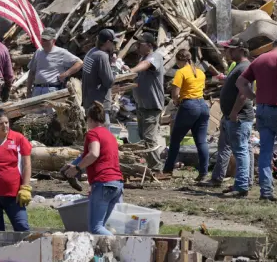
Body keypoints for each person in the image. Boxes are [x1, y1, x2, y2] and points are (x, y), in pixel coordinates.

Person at [237, 38, 277, 201]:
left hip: (262, 110)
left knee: (266, 151)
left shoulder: (258, 60)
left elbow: (240, 82)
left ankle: (266, 192)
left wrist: (254, 97)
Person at [63, 102, 123, 235]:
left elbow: (94, 154)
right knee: (102, 226)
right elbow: (91, 155)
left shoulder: (93, 134)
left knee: (96, 228)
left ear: (90, 119)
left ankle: (123, 246)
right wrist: (74, 164)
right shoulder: (110, 136)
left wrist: (77, 169)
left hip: (103, 184)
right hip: (117, 184)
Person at [207, 39, 255, 193]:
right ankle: (244, 183)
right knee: (243, 149)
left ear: (240, 49)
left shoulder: (244, 68)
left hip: (239, 117)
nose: (226, 52)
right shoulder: (239, 67)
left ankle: (241, 185)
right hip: (233, 116)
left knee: (241, 151)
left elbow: (243, 94)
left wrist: (234, 112)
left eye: (229, 49)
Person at [163, 49, 210, 180]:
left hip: (189, 106)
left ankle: (167, 170)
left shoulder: (181, 72)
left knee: (175, 139)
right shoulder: (200, 72)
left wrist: (177, 102)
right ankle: (204, 173)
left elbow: (175, 94)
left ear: (180, 60)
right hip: (203, 106)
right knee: (201, 141)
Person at [129, 32, 165, 173]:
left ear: (149, 45)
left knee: (149, 138)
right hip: (142, 105)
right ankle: (150, 166)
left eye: (140, 44)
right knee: (143, 137)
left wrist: (131, 71)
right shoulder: (142, 57)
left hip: (151, 106)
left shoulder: (155, 56)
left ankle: (156, 168)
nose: (137, 46)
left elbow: (146, 65)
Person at [26, 27, 83, 98]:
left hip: (52, 90)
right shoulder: (38, 52)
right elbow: (31, 72)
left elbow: (79, 63)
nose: (44, 42)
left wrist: (65, 74)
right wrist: (28, 91)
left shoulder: (61, 52)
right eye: (43, 39)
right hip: (36, 90)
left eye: (47, 40)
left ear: (53, 40)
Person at [82, 29, 118, 126]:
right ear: (107, 42)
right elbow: (109, 82)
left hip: (89, 101)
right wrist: (114, 65)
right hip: (100, 104)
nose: (114, 45)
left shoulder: (91, 52)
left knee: (92, 132)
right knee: (102, 134)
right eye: (113, 42)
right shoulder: (102, 56)